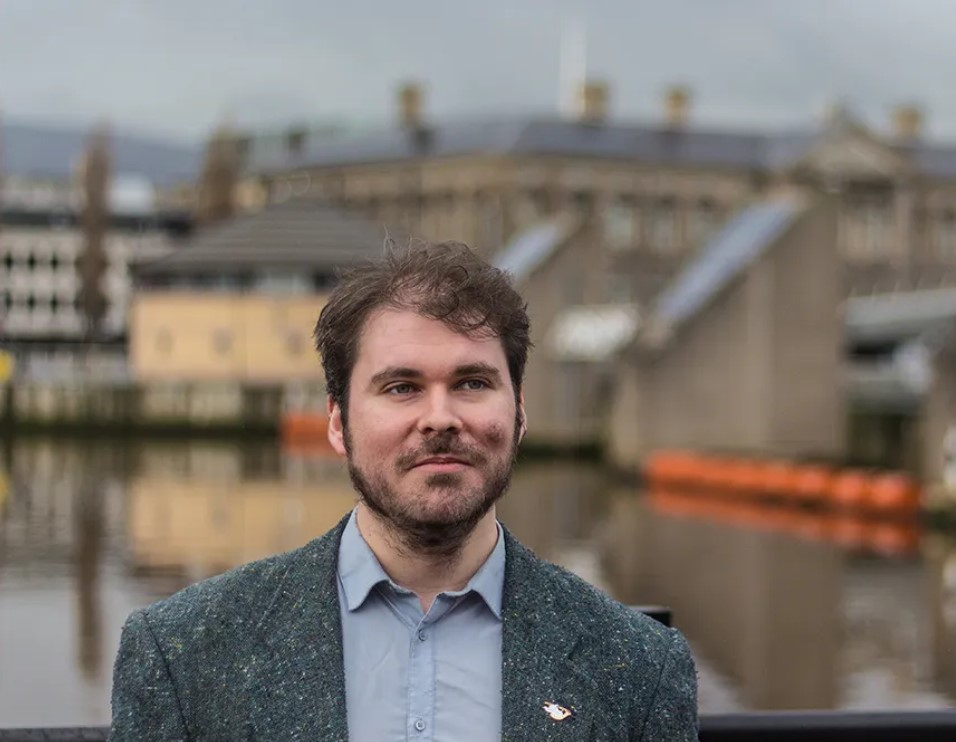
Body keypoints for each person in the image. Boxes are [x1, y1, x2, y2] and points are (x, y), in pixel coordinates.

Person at [110, 240, 699, 741]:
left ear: (519, 415)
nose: (440, 418)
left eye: (471, 382)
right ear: (338, 422)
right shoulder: (183, 652)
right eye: (401, 387)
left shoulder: (641, 667)